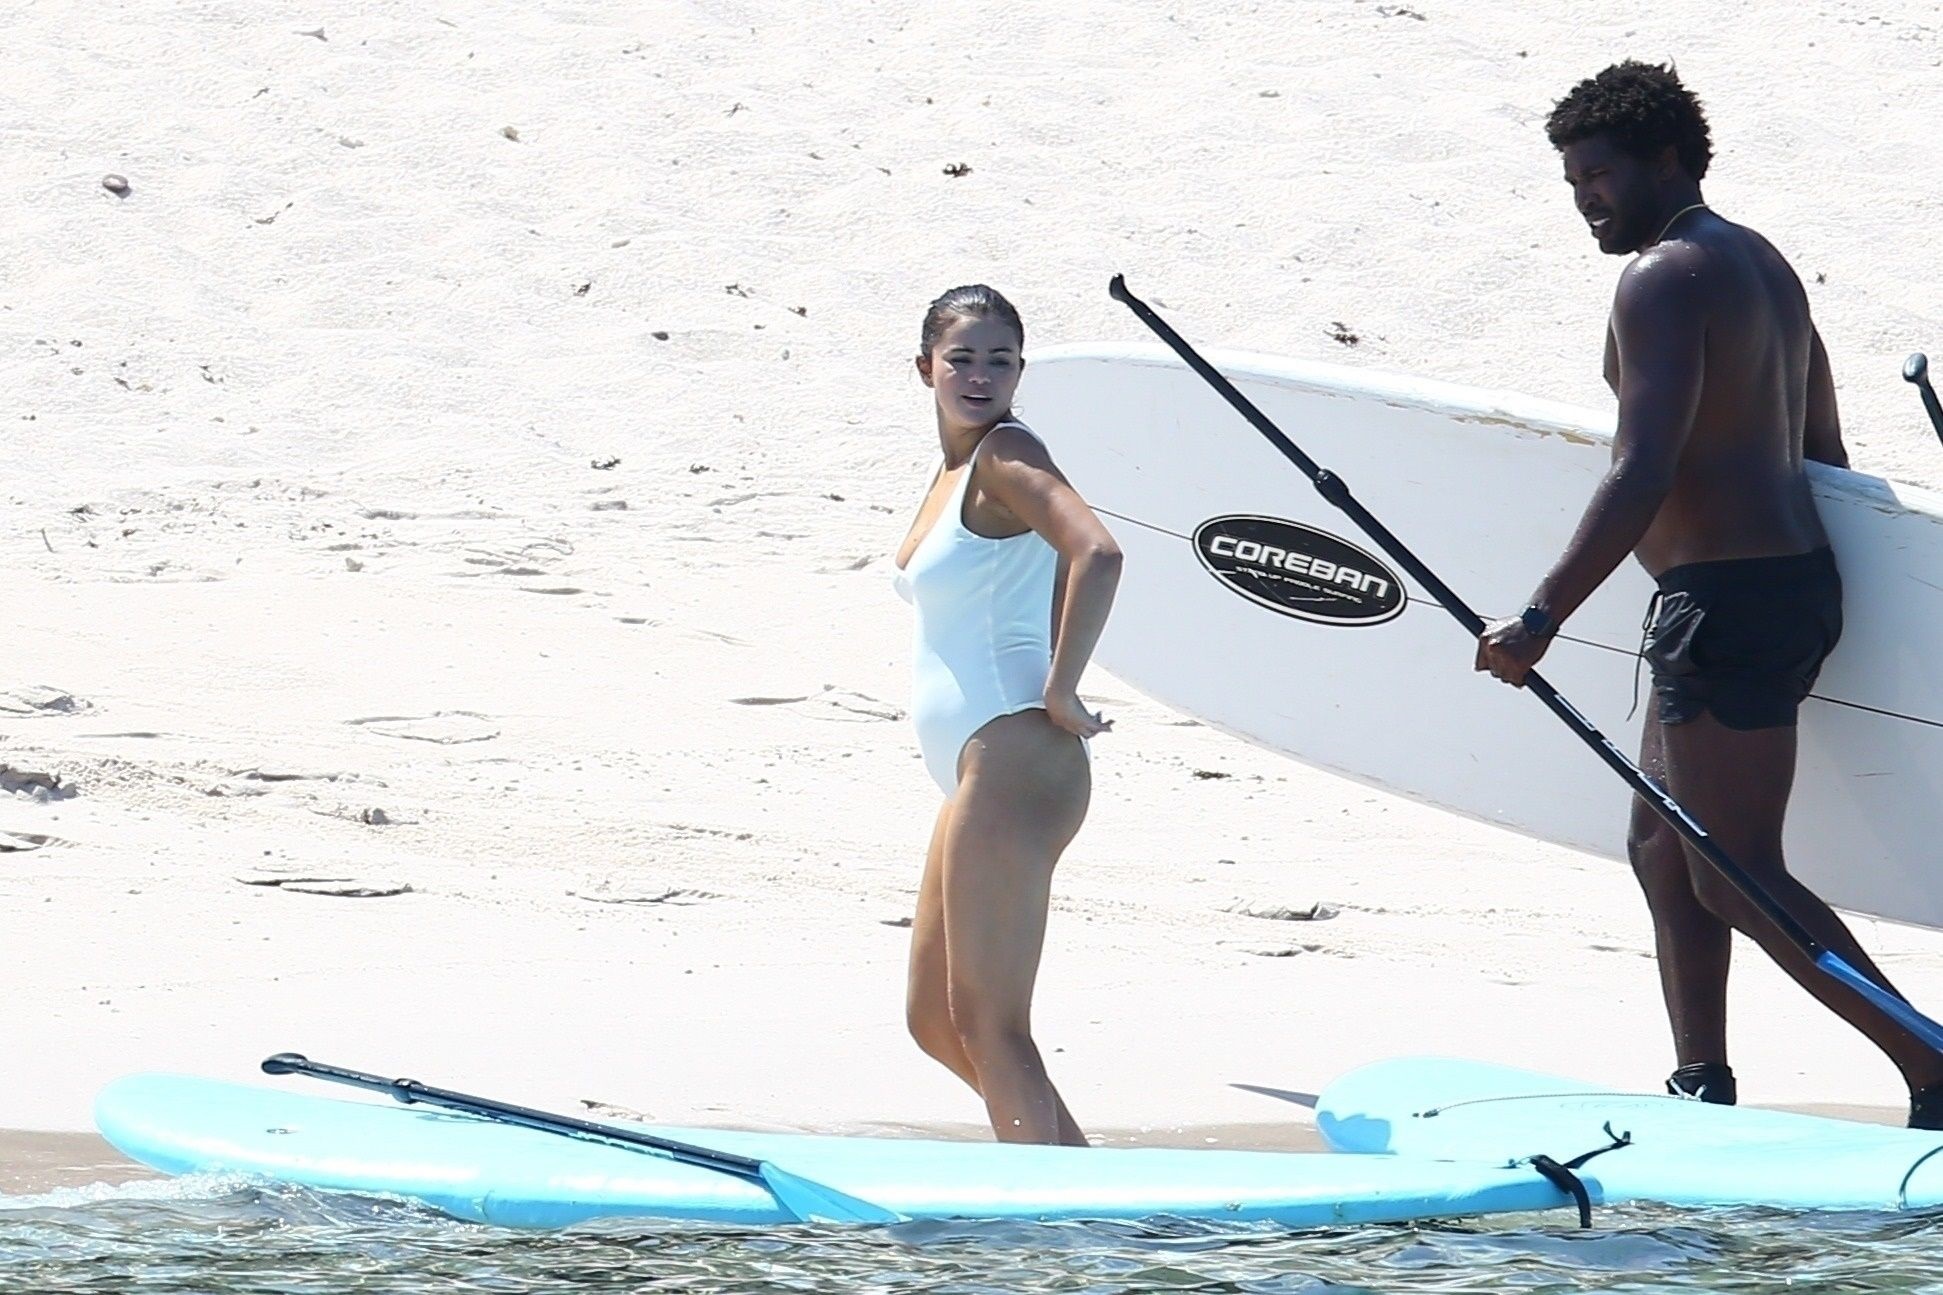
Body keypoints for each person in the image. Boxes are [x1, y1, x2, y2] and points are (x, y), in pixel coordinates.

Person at [1474, 61, 1943, 1127]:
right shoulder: (1761, 267)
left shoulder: (1662, 276)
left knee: (1729, 870)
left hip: (1726, 603)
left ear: (1665, 158)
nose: (1583, 197)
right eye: (1569, 181)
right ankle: (1702, 1084)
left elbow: (1643, 465)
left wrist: (1539, 618)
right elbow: (1823, 446)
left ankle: (1927, 1057)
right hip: (1763, 588)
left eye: (1595, 174)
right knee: (1659, 844)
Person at [892, 285, 1122, 1145]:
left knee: (991, 1024)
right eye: (963, 357)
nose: (980, 374)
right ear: (925, 369)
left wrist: (1062, 686)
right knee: (937, 1022)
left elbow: (1096, 551)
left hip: (1017, 756)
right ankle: (1086, 1190)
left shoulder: (1005, 453)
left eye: (1001, 359)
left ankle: (1058, 1233)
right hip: (971, 775)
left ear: (1020, 372)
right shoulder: (956, 469)